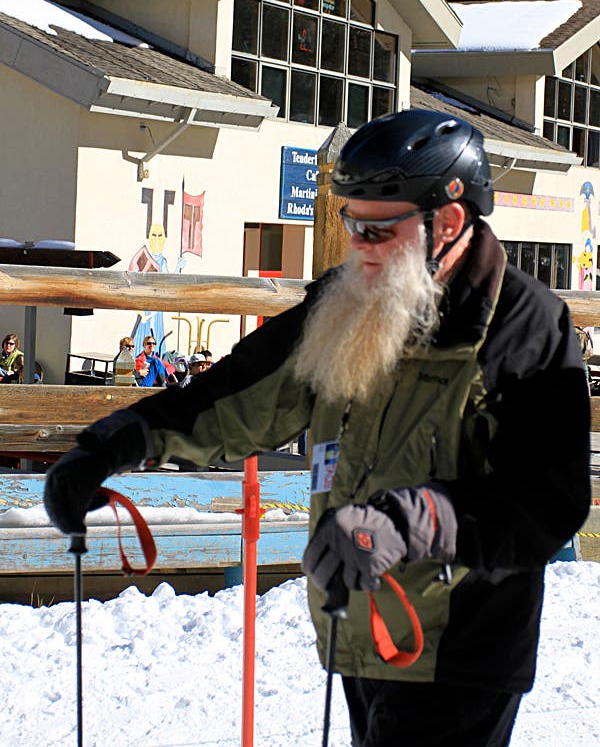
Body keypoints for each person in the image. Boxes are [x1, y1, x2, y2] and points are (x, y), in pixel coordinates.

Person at [44, 109, 590, 747]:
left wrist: (403, 522)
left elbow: (547, 500)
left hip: (460, 646)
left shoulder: (522, 326)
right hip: (358, 630)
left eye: (377, 229)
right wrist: (112, 444)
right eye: (349, 221)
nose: (356, 243)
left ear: (448, 220)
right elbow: (239, 396)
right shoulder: (349, 299)